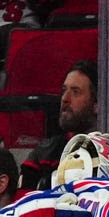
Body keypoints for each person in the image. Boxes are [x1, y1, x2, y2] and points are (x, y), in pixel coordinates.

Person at [20, 58, 95, 190]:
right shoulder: (44, 153)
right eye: (64, 90)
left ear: (97, 104)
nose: (65, 99)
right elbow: (23, 204)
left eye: (75, 92)